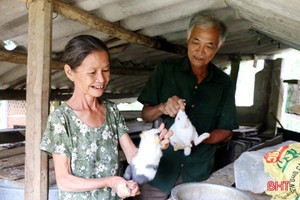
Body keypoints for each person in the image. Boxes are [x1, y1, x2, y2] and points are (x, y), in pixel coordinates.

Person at [40, 35, 173, 200]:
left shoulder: (111, 111)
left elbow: (132, 155)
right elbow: (64, 181)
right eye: (92, 72)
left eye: (105, 70)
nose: (101, 79)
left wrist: (154, 146)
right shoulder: (61, 118)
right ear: (70, 72)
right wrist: (110, 181)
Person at [135, 12, 239, 199]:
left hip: (197, 175)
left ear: (219, 46)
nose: (200, 51)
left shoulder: (224, 83)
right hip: (158, 171)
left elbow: (227, 131)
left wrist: (197, 139)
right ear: (187, 36)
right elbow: (145, 115)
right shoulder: (166, 70)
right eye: (196, 42)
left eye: (209, 45)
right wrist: (162, 108)